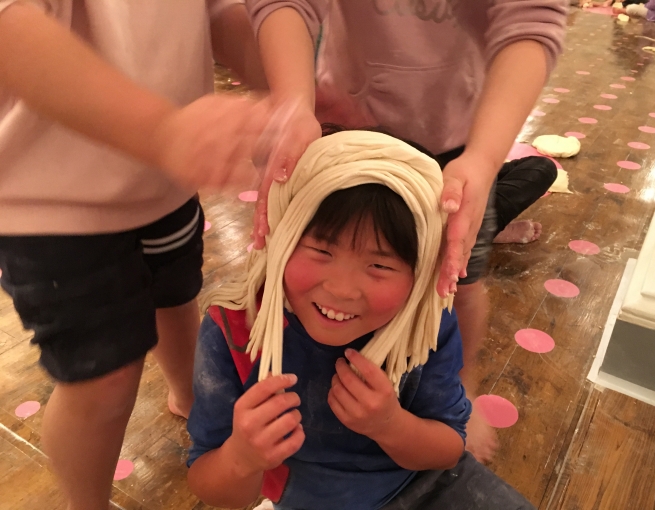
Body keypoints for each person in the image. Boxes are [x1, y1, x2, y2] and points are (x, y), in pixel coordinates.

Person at [244, 0, 567, 461]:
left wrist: (483, 159)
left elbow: (531, 22)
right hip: (345, 135)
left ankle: (460, 385)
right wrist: (292, 104)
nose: (343, 287)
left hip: (461, 145)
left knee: (458, 283)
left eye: (375, 265)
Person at [0, 2, 273, 509]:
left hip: (166, 178)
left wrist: (291, 91)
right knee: (100, 382)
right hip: (50, 200)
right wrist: (163, 131)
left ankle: (190, 399)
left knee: (177, 295)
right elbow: (11, 30)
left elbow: (218, 12)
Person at [186, 130, 535, 510]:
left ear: (421, 273)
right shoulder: (236, 328)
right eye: (321, 251)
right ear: (280, 237)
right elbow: (212, 486)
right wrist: (242, 457)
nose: (342, 290)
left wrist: (390, 425)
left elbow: (449, 449)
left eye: (379, 265)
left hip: (426, 480)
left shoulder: (424, 320)